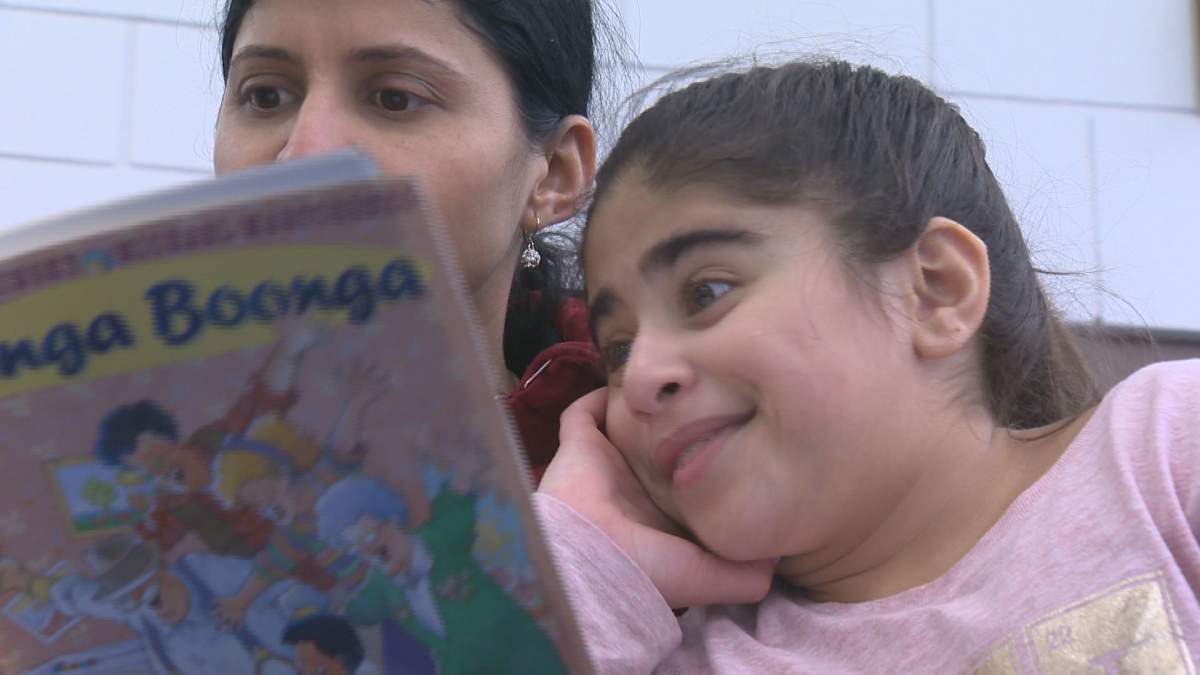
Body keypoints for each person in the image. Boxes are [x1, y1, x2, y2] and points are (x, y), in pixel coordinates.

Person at [537, 59, 1200, 672]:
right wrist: (579, 562)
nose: (644, 375)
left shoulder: (1163, 452)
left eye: (706, 292)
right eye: (617, 349)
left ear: (935, 289)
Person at [213, 0, 614, 478]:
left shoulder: (663, 479)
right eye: (266, 96)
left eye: (394, 98)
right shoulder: (139, 452)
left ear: (554, 175)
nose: (303, 155)